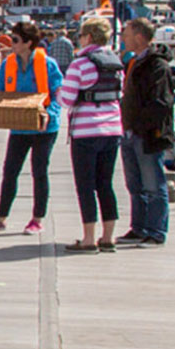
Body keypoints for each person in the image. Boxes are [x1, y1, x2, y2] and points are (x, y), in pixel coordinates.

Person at [50, 16, 124, 252]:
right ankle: (108, 236)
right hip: (112, 129)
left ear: (89, 37)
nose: (78, 40)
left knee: (85, 185)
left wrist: (58, 91)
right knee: (105, 183)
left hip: (86, 132)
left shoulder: (80, 64)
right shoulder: (116, 64)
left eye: (80, 36)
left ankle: (89, 238)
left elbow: (67, 99)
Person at [0, 21, 63, 235]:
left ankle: (37, 218)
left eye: (16, 40)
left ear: (28, 43)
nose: (11, 43)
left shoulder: (48, 64)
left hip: (44, 127)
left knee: (39, 171)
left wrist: (51, 114)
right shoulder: (7, 64)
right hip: (19, 126)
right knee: (10, 170)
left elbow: (58, 95)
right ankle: (1, 217)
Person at [117, 18, 174, 246]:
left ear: (140, 37)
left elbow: (161, 103)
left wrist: (139, 126)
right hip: (130, 131)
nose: (123, 38)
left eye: (127, 34)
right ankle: (138, 227)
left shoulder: (157, 66)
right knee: (135, 185)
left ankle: (156, 231)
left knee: (153, 184)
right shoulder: (133, 62)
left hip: (147, 134)